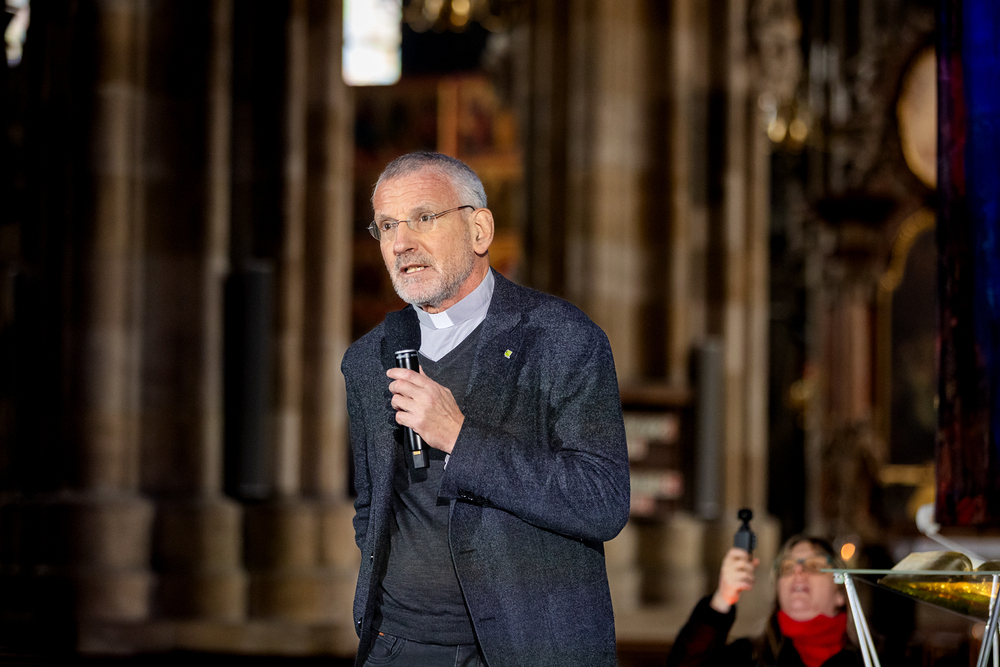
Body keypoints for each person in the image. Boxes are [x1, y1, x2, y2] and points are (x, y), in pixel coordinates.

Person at [341, 151, 630, 667]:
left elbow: (602, 501)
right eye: (386, 225)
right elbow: (371, 507)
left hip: (527, 650)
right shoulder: (369, 358)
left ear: (479, 230)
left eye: (423, 218)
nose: (401, 242)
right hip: (399, 646)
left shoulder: (562, 338)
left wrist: (460, 437)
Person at [666, 535, 860, 667]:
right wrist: (722, 598)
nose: (798, 571)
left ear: (841, 593)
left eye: (815, 566)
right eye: (787, 567)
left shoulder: (870, 655)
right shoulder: (750, 656)